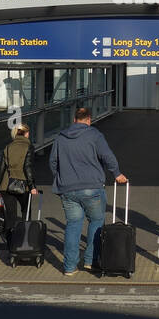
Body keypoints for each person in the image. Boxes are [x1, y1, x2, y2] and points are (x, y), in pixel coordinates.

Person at [49, 107, 127, 276]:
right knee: (97, 222)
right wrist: (117, 173)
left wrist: (62, 178)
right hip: (92, 188)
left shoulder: (60, 138)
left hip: (68, 189)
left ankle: (69, 267)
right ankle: (91, 262)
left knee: (73, 225)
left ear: (74, 119)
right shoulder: (94, 135)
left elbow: (53, 162)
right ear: (89, 120)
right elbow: (107, 156)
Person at [0, 124, 37, 243]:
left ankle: (11, 244)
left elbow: (1, 168)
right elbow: (28, 168)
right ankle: (25, 242)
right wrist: (32, 186)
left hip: (6, 184)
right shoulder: (28, 146)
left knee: (11, 216)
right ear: (26, 133)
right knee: (26, 213)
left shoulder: (7, 147)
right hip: (23, 185)